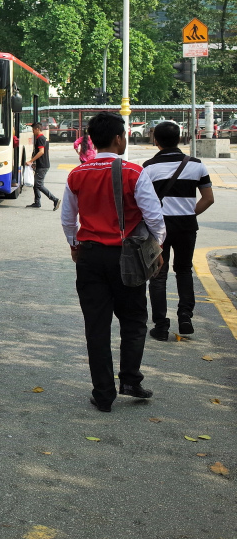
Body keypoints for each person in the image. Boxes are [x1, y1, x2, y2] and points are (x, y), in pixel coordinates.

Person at [60, 111, 166, 412]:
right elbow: (154, 217)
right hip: (126, 256)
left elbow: (68, 219)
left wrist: (74, 245)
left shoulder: (77, 174)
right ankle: (130, 379)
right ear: (119, 138)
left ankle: (103, 393)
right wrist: (156, 248)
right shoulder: (133, 172)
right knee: (133, 320)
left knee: (96, 325)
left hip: (90, 255)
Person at [143, 120, 214, 340]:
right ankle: (185, 318)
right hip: (186, 226)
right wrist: (189, 213)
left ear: (156, 140)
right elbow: (208, 198)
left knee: (158, 275)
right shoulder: (196, 165)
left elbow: (143, 203)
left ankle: (161, 326)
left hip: (158, 229)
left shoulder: (148, 168)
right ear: (180, 138)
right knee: (183, 270)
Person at [24, 121, 60, 210]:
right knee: (36, 184)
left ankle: (54, 199)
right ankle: (37, 202)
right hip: (42, 164)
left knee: (39, 185)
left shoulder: (40, 138)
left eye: (33, 130)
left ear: (37, 129)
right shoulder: (44, 138)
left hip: (43, 165)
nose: (32, 132)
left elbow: (41, 152)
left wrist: (31, 161)